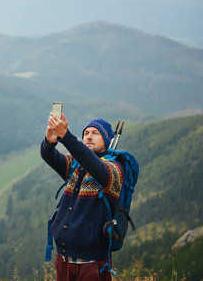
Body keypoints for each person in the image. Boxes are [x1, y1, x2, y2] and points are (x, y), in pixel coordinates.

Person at [41, 112, 125, 281]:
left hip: (92, 265)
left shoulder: (114, 169)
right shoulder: (76, 165)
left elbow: (96, 166)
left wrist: (66, 137)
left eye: (95, 133)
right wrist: (50, 142)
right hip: (64, 261)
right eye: (86, 133)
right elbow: (50, 156)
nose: (88, 137)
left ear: (107, 140)